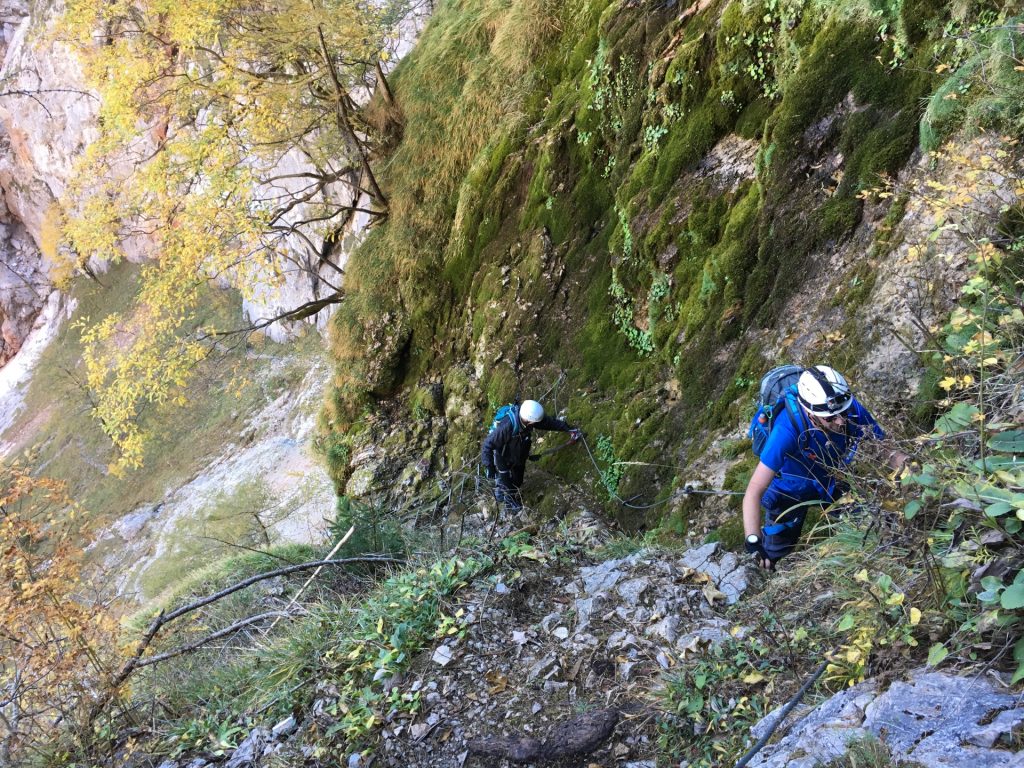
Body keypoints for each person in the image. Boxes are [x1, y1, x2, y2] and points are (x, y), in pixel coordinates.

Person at [742, 365, 903, 569]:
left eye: (842, 413)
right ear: (810, 414)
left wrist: (918, 471)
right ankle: (770, 575)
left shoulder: (848, 408)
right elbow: (754, 491)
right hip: (787, 492)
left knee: (866, 527)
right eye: (830, 418)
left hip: (831, 478)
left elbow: (885, 450)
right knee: (775, 549)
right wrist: (753, 540)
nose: (841, 421)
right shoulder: (785, 430)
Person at [481, 399, 582, 510]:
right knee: (507, 481)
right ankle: (509, 502)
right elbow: (487, 444)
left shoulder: (528, 419)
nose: (536, 424)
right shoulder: (507, 426)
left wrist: (567, 428)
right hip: (503, 456)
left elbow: (548, 423)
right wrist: (489, 466)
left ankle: (503, 488)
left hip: (519, 453)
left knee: (518, 481)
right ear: (530, 420)